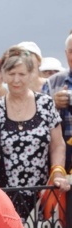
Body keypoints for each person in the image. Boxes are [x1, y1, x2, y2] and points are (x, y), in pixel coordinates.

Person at [0, 46, 69, 215]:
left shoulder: (45, 104)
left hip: (41, 193)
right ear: (3, 75)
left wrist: (58, 172)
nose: (16, 80)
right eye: (11, 74)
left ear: (31, 74)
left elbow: (57, 145)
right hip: (5, 196)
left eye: (22, 74)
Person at [42, 33, 72, 172]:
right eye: (71, 51)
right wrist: (53, 105)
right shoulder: (52, 82)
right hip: (62, 151)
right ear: (66, 54)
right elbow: (39, 119)